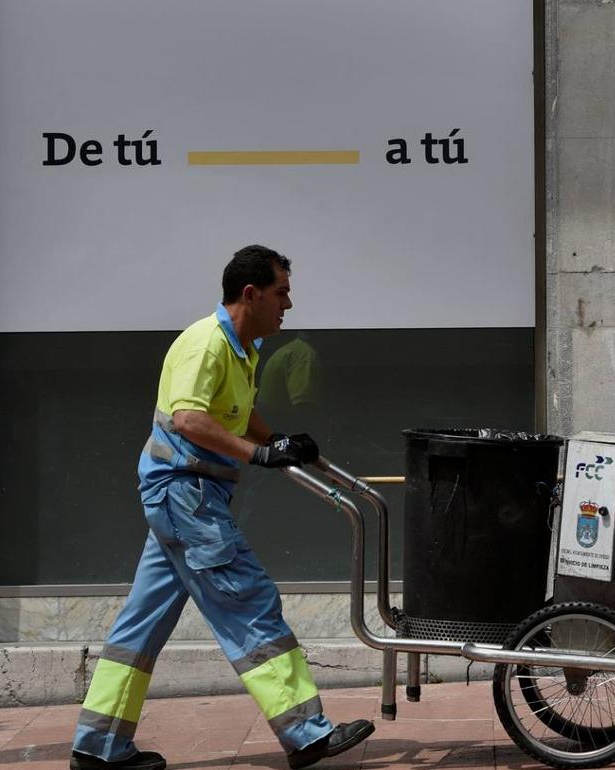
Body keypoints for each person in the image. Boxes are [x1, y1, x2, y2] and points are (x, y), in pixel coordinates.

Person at [70, 245, 374, 770]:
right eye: (282, 293)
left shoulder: (241, 348)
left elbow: (234, 412)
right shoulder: (206, 344)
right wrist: (260, 454)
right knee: (249, 600)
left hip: (186, 495)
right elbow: (189, 419)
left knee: (139, 626)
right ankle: (305, 733)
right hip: (186, 495)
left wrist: (277, 440)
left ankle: (97, 748)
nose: (289, 305)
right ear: (250, 294)